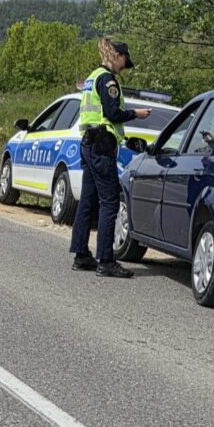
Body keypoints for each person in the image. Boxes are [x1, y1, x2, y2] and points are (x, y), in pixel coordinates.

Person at [70, 38, 151, 278]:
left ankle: (81, 254)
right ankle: (105, 260)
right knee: (110, 202)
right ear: (117, 57)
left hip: (88, 141)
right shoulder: (108, 80)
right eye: (125, 62)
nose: (125, 67)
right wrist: (135, 114)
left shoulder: (93, 76)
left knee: (88, 200)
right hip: (102, 144)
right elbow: (112, 112)